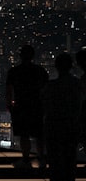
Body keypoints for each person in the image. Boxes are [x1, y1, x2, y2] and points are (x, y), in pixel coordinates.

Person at [6, 45, 49, 169]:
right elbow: (46, 90)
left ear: (20, 56)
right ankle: (41, 159)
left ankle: (25, 159)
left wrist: (9, 105)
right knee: (39, 134)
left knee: (24, 134)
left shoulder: (14, 71)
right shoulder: (40, 71)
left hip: (21, 106)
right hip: (37, 106)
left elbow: (9, 90)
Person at [42, 53, 81, 181]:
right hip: (71, 125)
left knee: (55, 160)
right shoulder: (77, 84)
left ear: (56, 66)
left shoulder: (50, 86)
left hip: (54, 126)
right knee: (70, 158)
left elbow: (45, 105)